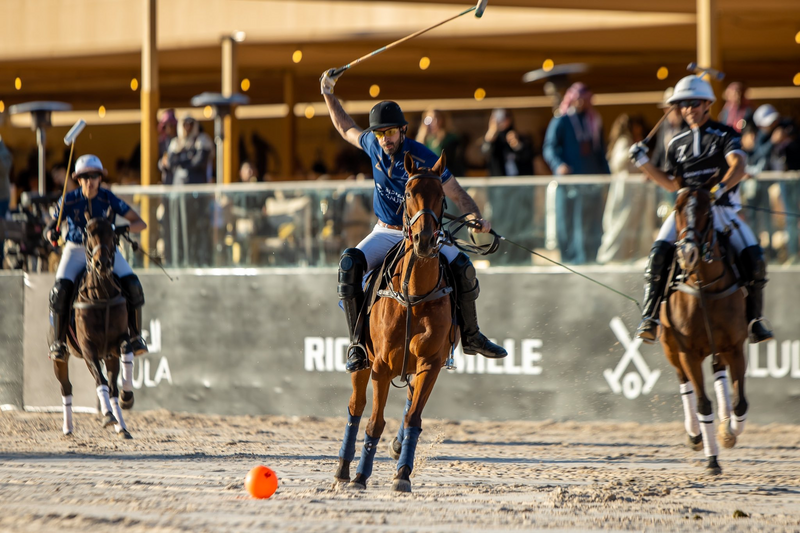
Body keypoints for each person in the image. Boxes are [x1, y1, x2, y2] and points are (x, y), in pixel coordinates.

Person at [320, 68, 507, 373]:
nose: (385, 139)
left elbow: (458, 194)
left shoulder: (422, 156)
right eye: (380, 133)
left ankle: (471, 336)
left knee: (464, 268)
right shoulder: (373, 145)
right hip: (386, 232)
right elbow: (346, 128)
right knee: (348, 265)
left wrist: (476, 217)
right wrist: (328, 93)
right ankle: (357, 344)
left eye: (390, 132)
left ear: (403, 131)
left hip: (424, 234)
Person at [628, 75, 773, 345]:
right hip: (685, 212)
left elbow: (738, 167)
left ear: (707, 103)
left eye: (693, 103)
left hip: (721, 209)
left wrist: (718, 190)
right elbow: (672, 184)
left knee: (755, 258)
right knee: (657, 255)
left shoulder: (726, 134)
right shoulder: (676, 143)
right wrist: (644, 163)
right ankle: (650, 317)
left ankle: (754, 321)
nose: (688, 109)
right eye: (682, 104)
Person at [44, 155, 149, 361]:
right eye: (85, 177)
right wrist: (52, 234)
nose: (90, 181)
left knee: (133, 284)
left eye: (94, 176)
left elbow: (140, 223)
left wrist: (118, 228)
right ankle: (59, 342)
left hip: (105, 250)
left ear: (100, 178)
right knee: (59, 292)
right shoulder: (69, 199)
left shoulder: (108, 198)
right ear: (78, 179)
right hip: (76, 250)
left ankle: (136, 337)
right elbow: (51, 226)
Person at [543, 82, 610, 265]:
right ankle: (571, 261)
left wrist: (608, 177)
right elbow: (549, 148)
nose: (585, 102)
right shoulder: (561, 121)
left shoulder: (593, 121)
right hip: (569, 185)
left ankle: (591, 258)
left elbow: (600, 152)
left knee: (591, 223)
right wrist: (559, 165)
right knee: (569, 224)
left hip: (591, 184)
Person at [597, 114, 655, 263]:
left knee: (632, 225)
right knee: (619, 224)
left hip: (633, 193)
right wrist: (633, 152)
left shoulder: (630, 141)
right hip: (624, 192)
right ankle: (613, 257)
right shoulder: (624, 141)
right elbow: (618, 163)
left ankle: (630, 256)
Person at [481, 109, 534, 177]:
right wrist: (491, 133)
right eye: (498, 118)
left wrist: (517, 145)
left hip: (520, 181)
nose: (502, 121)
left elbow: (528, 156)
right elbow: (484, 155)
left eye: (505, 117)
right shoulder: (493, 140)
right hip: (499, 183)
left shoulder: (519, 138)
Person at [416, 108, 465, 176]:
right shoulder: (426, 139)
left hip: (447, 176)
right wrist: (423, 136)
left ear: (443, 120)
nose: (433, 123)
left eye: (436, 119)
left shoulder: (450, 139)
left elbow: (446, 160)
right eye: (429, 119)